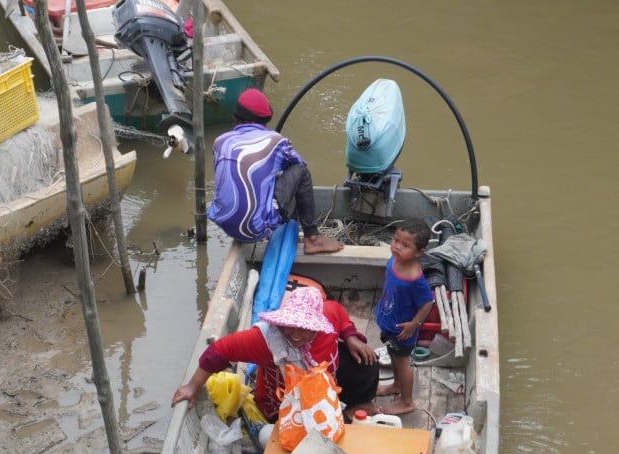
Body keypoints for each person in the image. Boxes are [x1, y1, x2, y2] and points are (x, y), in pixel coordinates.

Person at [171, 286, 378, 422]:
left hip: (325, 383)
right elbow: (218, 351)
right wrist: (193, 386)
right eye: (290, 326)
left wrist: (350, 336)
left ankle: (358, 403)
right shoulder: (265, 340)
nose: (295, 335)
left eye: (304, 328)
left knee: (367, 363)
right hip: (287, 403)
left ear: (318, 325)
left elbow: (340, 314)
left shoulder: (329, 314)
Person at [207, 88, 344, 255]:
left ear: (235, 117)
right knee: (301, 171)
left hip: (225, 224)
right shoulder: (276, 141)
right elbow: (298, 164)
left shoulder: (219, 142)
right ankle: (313, 239)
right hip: (256, 230)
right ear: (265, 122)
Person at [375, 218, 435, 415]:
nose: (397, 247)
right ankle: (396, 385)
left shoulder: (414, 277)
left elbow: (427, 301)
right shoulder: (394, 260)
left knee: (402, 362)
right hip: (389, 320)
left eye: (405, 245)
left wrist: (414, 324)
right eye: (395, 240)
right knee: (393, 355)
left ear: (419, 252)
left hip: (402, 329)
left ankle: (407, 401)